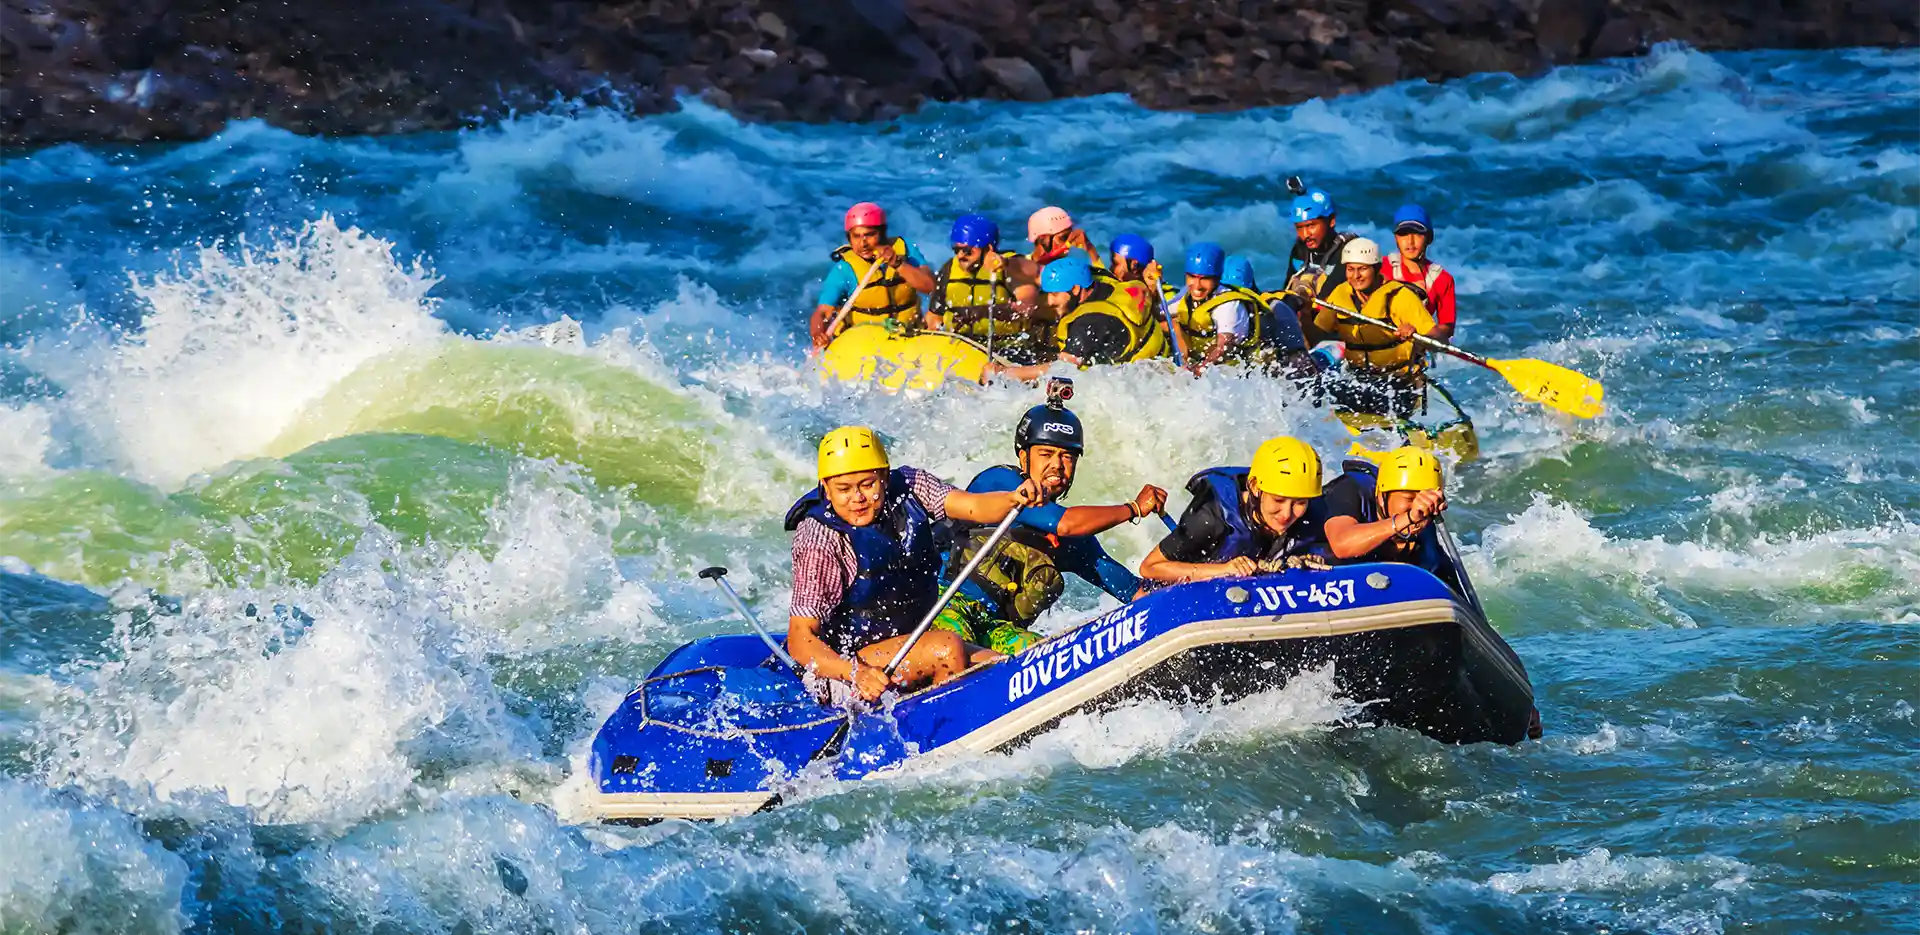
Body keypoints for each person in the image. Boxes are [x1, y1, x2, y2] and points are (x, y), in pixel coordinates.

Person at [786, 426, 1043, 702]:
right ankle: (942, 726)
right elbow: (800, 639)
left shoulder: (909, 485)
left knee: (1007, 668)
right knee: (946, 647)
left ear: (884, 476)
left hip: (910, 644)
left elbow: (971, 506)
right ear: (825, 486)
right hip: (845, 669)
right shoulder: (819, 538)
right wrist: (855, 673)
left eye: (867, 484)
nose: (857, 498)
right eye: (843, 489)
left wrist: (1013, 498)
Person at [935, 398, 1168, 654]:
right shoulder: (998, 482)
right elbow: (1064, 523)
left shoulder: (1076, 543)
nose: (1057, 465)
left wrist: (1195, 579)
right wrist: (1133, 509)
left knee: (1036, 649)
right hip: (945, 605)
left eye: (1067, 456)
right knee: (954, 647)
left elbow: (1136, 593)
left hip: (996, 628)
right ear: (1024, 457)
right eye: (1046, 454)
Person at [1137, 436, 1330, 584]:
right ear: (1255, 487)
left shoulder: (1312, 512)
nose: (1287, 514)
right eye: (1278, 500)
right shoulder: (1211, 517)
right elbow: (1149, 568)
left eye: (1299, 503)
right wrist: (1224, 569)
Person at [1308, 237, 1438, 417]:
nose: (1356, 276)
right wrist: (1303, 316)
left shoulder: (1399, 297)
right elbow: (1315, 336)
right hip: (1359, 379)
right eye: (1350, 269)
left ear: (1376, 269)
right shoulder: (1340, 294)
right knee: (1315, 389)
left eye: (1363, 269)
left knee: (1366, 395)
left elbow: (1437, 337)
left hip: (1400, 384)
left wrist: (1415, 333)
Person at [810, 202, 937, 349]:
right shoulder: (844, 270)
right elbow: (822, 313)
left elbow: (931, 287)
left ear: (882, 234)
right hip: (864, 345)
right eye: (856, 236)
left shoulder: (906, 251)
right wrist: (817, 333)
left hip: (908, 337)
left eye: (869, 235)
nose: (863, 243)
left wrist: (898, 264)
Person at [1319, 446, 1454, 578]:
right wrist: (1407, 518)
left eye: (1426, 499)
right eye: (1410, 498)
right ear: (1381, 497)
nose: (1419, 507)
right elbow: (1341, 545)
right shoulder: (1349, 490)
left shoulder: (1426, 527)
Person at [929, 213, 1048, 362]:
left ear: (988, 248)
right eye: (956, 250)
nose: (960, 256)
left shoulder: (1010, 267)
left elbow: (1027, 308)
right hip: (962, 348)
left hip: (1008, 349)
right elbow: (934, 316)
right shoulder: (948, 269)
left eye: (967, 251)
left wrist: (982, 312)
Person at [1169, 241, 1262, 373]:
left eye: (1205, 279)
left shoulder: (1229, 305)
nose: (1197, 286)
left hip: (1235, 371)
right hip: (1200, 363)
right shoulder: (1186, 295)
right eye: (1192, 277)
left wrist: (1199, 370)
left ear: (1217, 278)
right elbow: (1159, 316)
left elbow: (1224, 346)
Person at [1282, 188, 1357, 345]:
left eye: (1311, 225)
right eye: (1299, 227)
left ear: (1331, 221)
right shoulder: (1300, 250)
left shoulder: (1348, 251)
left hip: (1340, 330)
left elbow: (1328, 295)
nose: (1305, 234)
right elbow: (1287, 286)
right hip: (1306, 320)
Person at [1381, 204, 1457, 345]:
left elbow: (1447, 329)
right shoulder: (1379, 267)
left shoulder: (1442, 279)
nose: (1410, 241)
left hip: (1416, 343)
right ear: (1396, 238)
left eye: (1417, 233)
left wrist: (1420, 332)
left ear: (1429, 238)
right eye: (1403, 234)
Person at [1027, 206, 1103, 268]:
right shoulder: (1020, 273)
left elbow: (1108, 283)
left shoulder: (1071, 268)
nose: (1071, 241)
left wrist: (1090, 250)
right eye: (1064, 237)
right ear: (1044, 240)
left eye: (1071, 235)